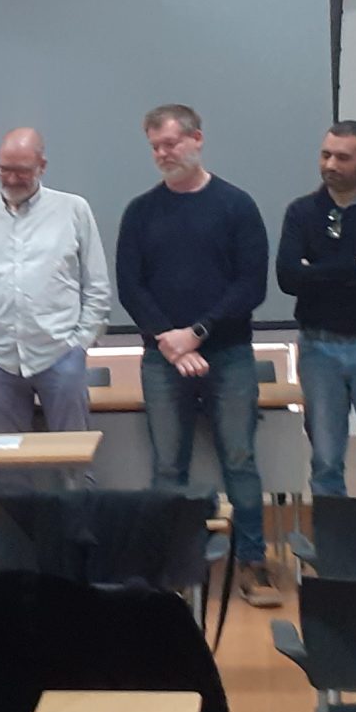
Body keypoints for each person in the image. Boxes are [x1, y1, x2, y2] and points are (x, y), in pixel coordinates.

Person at [116, 105, 277, 606]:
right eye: (155, 147)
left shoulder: (236, 205)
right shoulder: (141, 211)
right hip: (162, 359)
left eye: (171, 144)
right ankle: (173, 566)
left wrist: (197, 333)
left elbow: (250, 286)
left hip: (229, 355)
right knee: (168, 466)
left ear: (197, 139)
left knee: (240, 460)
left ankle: (253, 562)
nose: (163, 154)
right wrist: (169, 338)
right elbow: (131, 287)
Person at [275, 122, 356, 502]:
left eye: (343, 157)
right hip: (318, 348)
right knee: (324, 462)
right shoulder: (302, 211)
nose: (331, 164)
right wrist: (355, 265)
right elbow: (288, 278)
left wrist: (316, 271)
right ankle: (332, 539)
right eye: (325, 155)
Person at [0, 127, 110, 442]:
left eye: (22, 170)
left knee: (73, 452)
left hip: (60, 354)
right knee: (7, 455)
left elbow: (96, 286)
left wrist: (79, 344)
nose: (12, 178)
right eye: (4, 169)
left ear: (42, 166)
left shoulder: (74, 210)